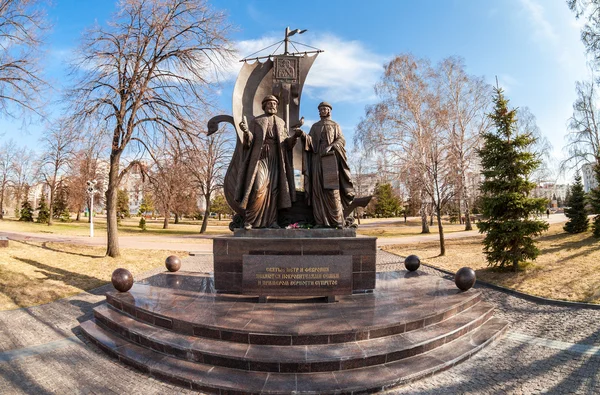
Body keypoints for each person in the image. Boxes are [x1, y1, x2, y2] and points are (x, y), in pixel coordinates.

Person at [236, 95, 300, 229]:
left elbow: (286, 143)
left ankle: (272, 221)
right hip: (260, 157)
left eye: (275, 104)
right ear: (264, 106)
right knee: (258, 187)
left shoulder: (281, 122)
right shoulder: (257, 121)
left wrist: (295, 136)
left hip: (276, 158)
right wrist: (246, 131)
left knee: (274, 190)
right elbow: (250, 141)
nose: (273, 106)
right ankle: (250, 220)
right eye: (270, 104)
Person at [299, 102, 354, 227]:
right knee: (317, 189)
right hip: (317, 159)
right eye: (320, 109)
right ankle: (320, 221)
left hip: (330, 159)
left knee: (332, 190)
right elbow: (310, 141)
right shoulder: (315, 126)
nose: (322, 111)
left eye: (324, 109)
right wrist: (303, 135)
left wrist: (331, 146)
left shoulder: (335, 125)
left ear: (329, 110)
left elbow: (341, 140)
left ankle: (338, 220)